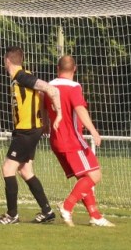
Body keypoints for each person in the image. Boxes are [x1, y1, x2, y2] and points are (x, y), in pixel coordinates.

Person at [44, 56, 114, 227]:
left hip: (56, 140)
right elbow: (80, 109)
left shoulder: (48, 86)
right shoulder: (74, 87)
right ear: (75, 68)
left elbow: (44, 109)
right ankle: (67, 206)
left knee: (84, 178)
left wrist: (46, 126)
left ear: (57, 68)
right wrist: (93, 130)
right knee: (95, 175)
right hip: (72, 140)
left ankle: (95, 216)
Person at [0, 46, 62, 225]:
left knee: (8, 168)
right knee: (25, 171)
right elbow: (40, 95)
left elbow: (51, 90)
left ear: (7, 61)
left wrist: (59, 114)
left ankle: (12, 215)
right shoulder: (21, 77)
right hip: (29, 129)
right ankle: (47, 211)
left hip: (27, 131)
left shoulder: (22, 77)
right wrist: (45, 121)